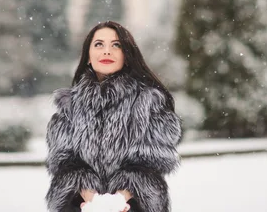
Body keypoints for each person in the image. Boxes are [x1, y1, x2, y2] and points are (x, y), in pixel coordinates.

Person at [45, 21, 182, 212]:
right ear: (88, 56)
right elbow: (64, 163)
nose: (107, 51)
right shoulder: (69, 105)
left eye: (116, 45)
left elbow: (152, 162)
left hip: (135, 206)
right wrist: (92, 200)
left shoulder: (148, 101)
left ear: (126, 55)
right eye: (99, 44)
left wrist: (118, 201)